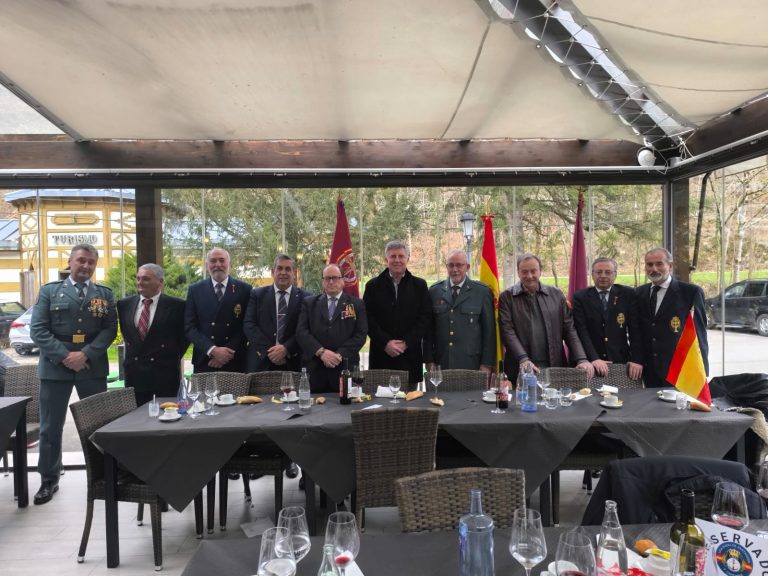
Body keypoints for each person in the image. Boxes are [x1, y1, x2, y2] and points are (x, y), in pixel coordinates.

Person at [30, 243, 117, 505]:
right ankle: (48, 478)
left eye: (91, 262)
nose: (86, 266)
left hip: (91, 367)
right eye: (81, 261)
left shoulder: (104, 294)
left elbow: (109, 329)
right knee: (50, 427)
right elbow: (38, 330)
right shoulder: (50, 291)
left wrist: (86, 354)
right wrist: (65, 356)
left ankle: (102, 475)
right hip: (56, 367)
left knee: (98, 425)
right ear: (70, 261)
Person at [498, 253, 594, 382]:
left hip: (554, 364)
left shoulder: (556, 294)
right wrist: (523, 359)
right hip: (521, 365)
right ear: (518, 273)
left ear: (540, 271)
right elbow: (507, 331)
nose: (529, 276)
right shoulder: (507, 297)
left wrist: (581, 358)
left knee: (554, 401)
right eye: (524, 272)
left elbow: (569, 329)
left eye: (533, 271)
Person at [636, 247, 709, 388]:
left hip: (680, 368)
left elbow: (700, 332)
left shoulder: (690, 292)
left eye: (659, 264)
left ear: (669, 266)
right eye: (649, 265)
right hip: (649, 368)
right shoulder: (639, 293)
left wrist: (703, 368)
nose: (654, 269)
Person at [117, 263, 188, 405]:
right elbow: (128, 335)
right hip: (135, 374)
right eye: (138, 278)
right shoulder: (124, 304)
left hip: (165, 374)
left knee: (169, 417)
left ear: (160, 282)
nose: (140, 283)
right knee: (137, 420)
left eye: (146, 279)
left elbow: (184, 339)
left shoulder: (177, 306)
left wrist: (168, 356)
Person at [363, 240, 431, 387]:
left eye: (401, 256)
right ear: (385, 259)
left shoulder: (419, 286)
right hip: (381, 356)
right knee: (379, 405)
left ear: (408, 258)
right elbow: (368, 319)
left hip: (410, 357)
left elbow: (425, 318)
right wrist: (386, 342)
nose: (397, 260)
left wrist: (406, 342)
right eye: (393, 256)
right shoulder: (372, 286)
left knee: (411, 405)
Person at [296, 264, 368, 393]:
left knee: (345, 410)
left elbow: (360, 335)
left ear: (342, 281)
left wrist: (338, 355)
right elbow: (301, 332)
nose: (331, 281)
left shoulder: (357, 304)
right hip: (315, 369)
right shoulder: (309, 303)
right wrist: (322, 353)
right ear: (322, 282)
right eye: (327, 278)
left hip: (345, 368)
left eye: (335, 278)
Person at [423, 249, 496, 372]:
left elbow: (489, 331)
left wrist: (487, 364)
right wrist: (429, 360)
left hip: (472, 363)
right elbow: (428, 330)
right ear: (446, 267)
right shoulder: (435, 291)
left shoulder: (481, 292)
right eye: (451, 265)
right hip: (442, 362)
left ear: (467, 267)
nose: (455, 269)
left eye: (459, 265)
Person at [572, 257, 643, 380]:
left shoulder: (628, 294)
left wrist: (636, 359)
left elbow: (635, 330)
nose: (603, 276)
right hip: (590, 363)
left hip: (620, 361)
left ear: (615, 274)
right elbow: (581, 331)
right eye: (599, 272)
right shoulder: (580, 297)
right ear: (592, 274)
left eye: (608, 272)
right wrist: (594, 358)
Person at [184, 248, 251, 373]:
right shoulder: (195, 290)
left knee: (238, 393)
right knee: (205, 393)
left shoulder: (245, 289)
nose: (218, 265)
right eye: (213, 261)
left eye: (222, 260)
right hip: (205, 359)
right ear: (207, 264)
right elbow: (190, 327)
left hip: (235, 359)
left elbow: (247, 325)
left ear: (229, 263)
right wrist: (212, 350)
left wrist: (226, 353)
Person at [244, 254, 309, 373]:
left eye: (288, 269)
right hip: (261, 361)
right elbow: (249, 325)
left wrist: (286, 349)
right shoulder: (257, 295)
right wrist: (271, 352)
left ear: (295, 273)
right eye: (279, 268)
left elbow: (305, 329)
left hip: (293, 363)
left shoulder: (306, 298)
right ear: (272, 271)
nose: (283, 272)